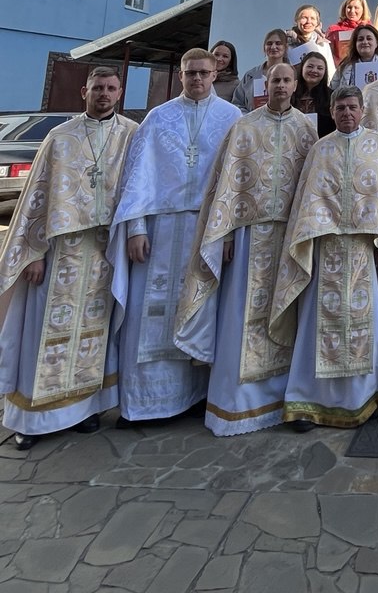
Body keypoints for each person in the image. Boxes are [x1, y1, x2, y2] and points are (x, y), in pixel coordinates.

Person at [174, 64, 318, 435]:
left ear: (295, 85)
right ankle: (238, 404)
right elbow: (225, 186)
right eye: (275, 80)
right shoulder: (244, 127)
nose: (281, 85)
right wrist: (223, 235)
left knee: (289, 312)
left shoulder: (307, 129)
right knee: (241, 318)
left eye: (286, 80)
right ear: (265, 85)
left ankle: (289, 400)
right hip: (248, 236)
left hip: (289, 237)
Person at [0, 68, 137, 450]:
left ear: (120, 93)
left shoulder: (131, 134)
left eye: (110, 88)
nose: (104, 94)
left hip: (103, 251)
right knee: (42, 332)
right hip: (60, 251)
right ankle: (31, 418)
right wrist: (34, 253)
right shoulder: (60, 137)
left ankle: (83, 409)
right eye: (97, 88)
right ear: (83, 91)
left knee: (94, 331)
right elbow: (37, 199)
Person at [270, 86, 378, 429]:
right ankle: (310, 401)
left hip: (366, 251)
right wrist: (311, 240)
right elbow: (306, 201)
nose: (347, 113)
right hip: (326, 250)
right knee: (317, 327)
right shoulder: (320, 149)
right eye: (340, 108)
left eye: (352, 107)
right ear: (333, 111)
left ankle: (370, 395)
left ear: (362, 110)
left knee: (367, 325)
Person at [109, 49, 242, 421]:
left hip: (206, 229)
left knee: (202, 309)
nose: (196, 79)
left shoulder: (232, 117)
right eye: (190, 73)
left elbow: (237, 182)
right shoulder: (158, 117)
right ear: (181, 75)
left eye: (203, 72)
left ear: (215, 74)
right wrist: (136, 228)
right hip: (160, 229)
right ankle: (143, 403)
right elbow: (137, 175)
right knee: (146, 314)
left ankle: (196, 395)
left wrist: (228, 233)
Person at [233, 29, 288, 112]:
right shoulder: (250, 76)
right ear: (264, 48)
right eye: (269, 43)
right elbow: (237, 104)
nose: (273, 47)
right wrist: (249, 117)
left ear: (285, 47)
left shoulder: (293, 75)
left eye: (278, 43)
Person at [331, 23, 378, 91]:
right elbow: (332, 90)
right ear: (355, 44)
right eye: (360, 39)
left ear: (376, 43)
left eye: (369, 38)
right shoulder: (344, 66)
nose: (365, 42)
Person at [285, 4, 336, 77]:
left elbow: (330, 71)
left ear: (317, 22)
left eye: (312, 18)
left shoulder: (323, 44)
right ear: (296, 20)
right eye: (304, 18)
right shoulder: (286, 42)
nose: (308, 21)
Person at [293, 52, 335, 135]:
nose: (314, 71)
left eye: (320, 68)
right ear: (302, 67)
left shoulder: (331, 96)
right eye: (310, 66)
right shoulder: (291, 93)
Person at [326, 0, 372, 65]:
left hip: (365, 67)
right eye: (349, 7)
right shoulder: (334, 30)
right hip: (341, 68)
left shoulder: (370, 29)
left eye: (356, 8)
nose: (352, 11)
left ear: (363, 9)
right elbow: (328, 54)